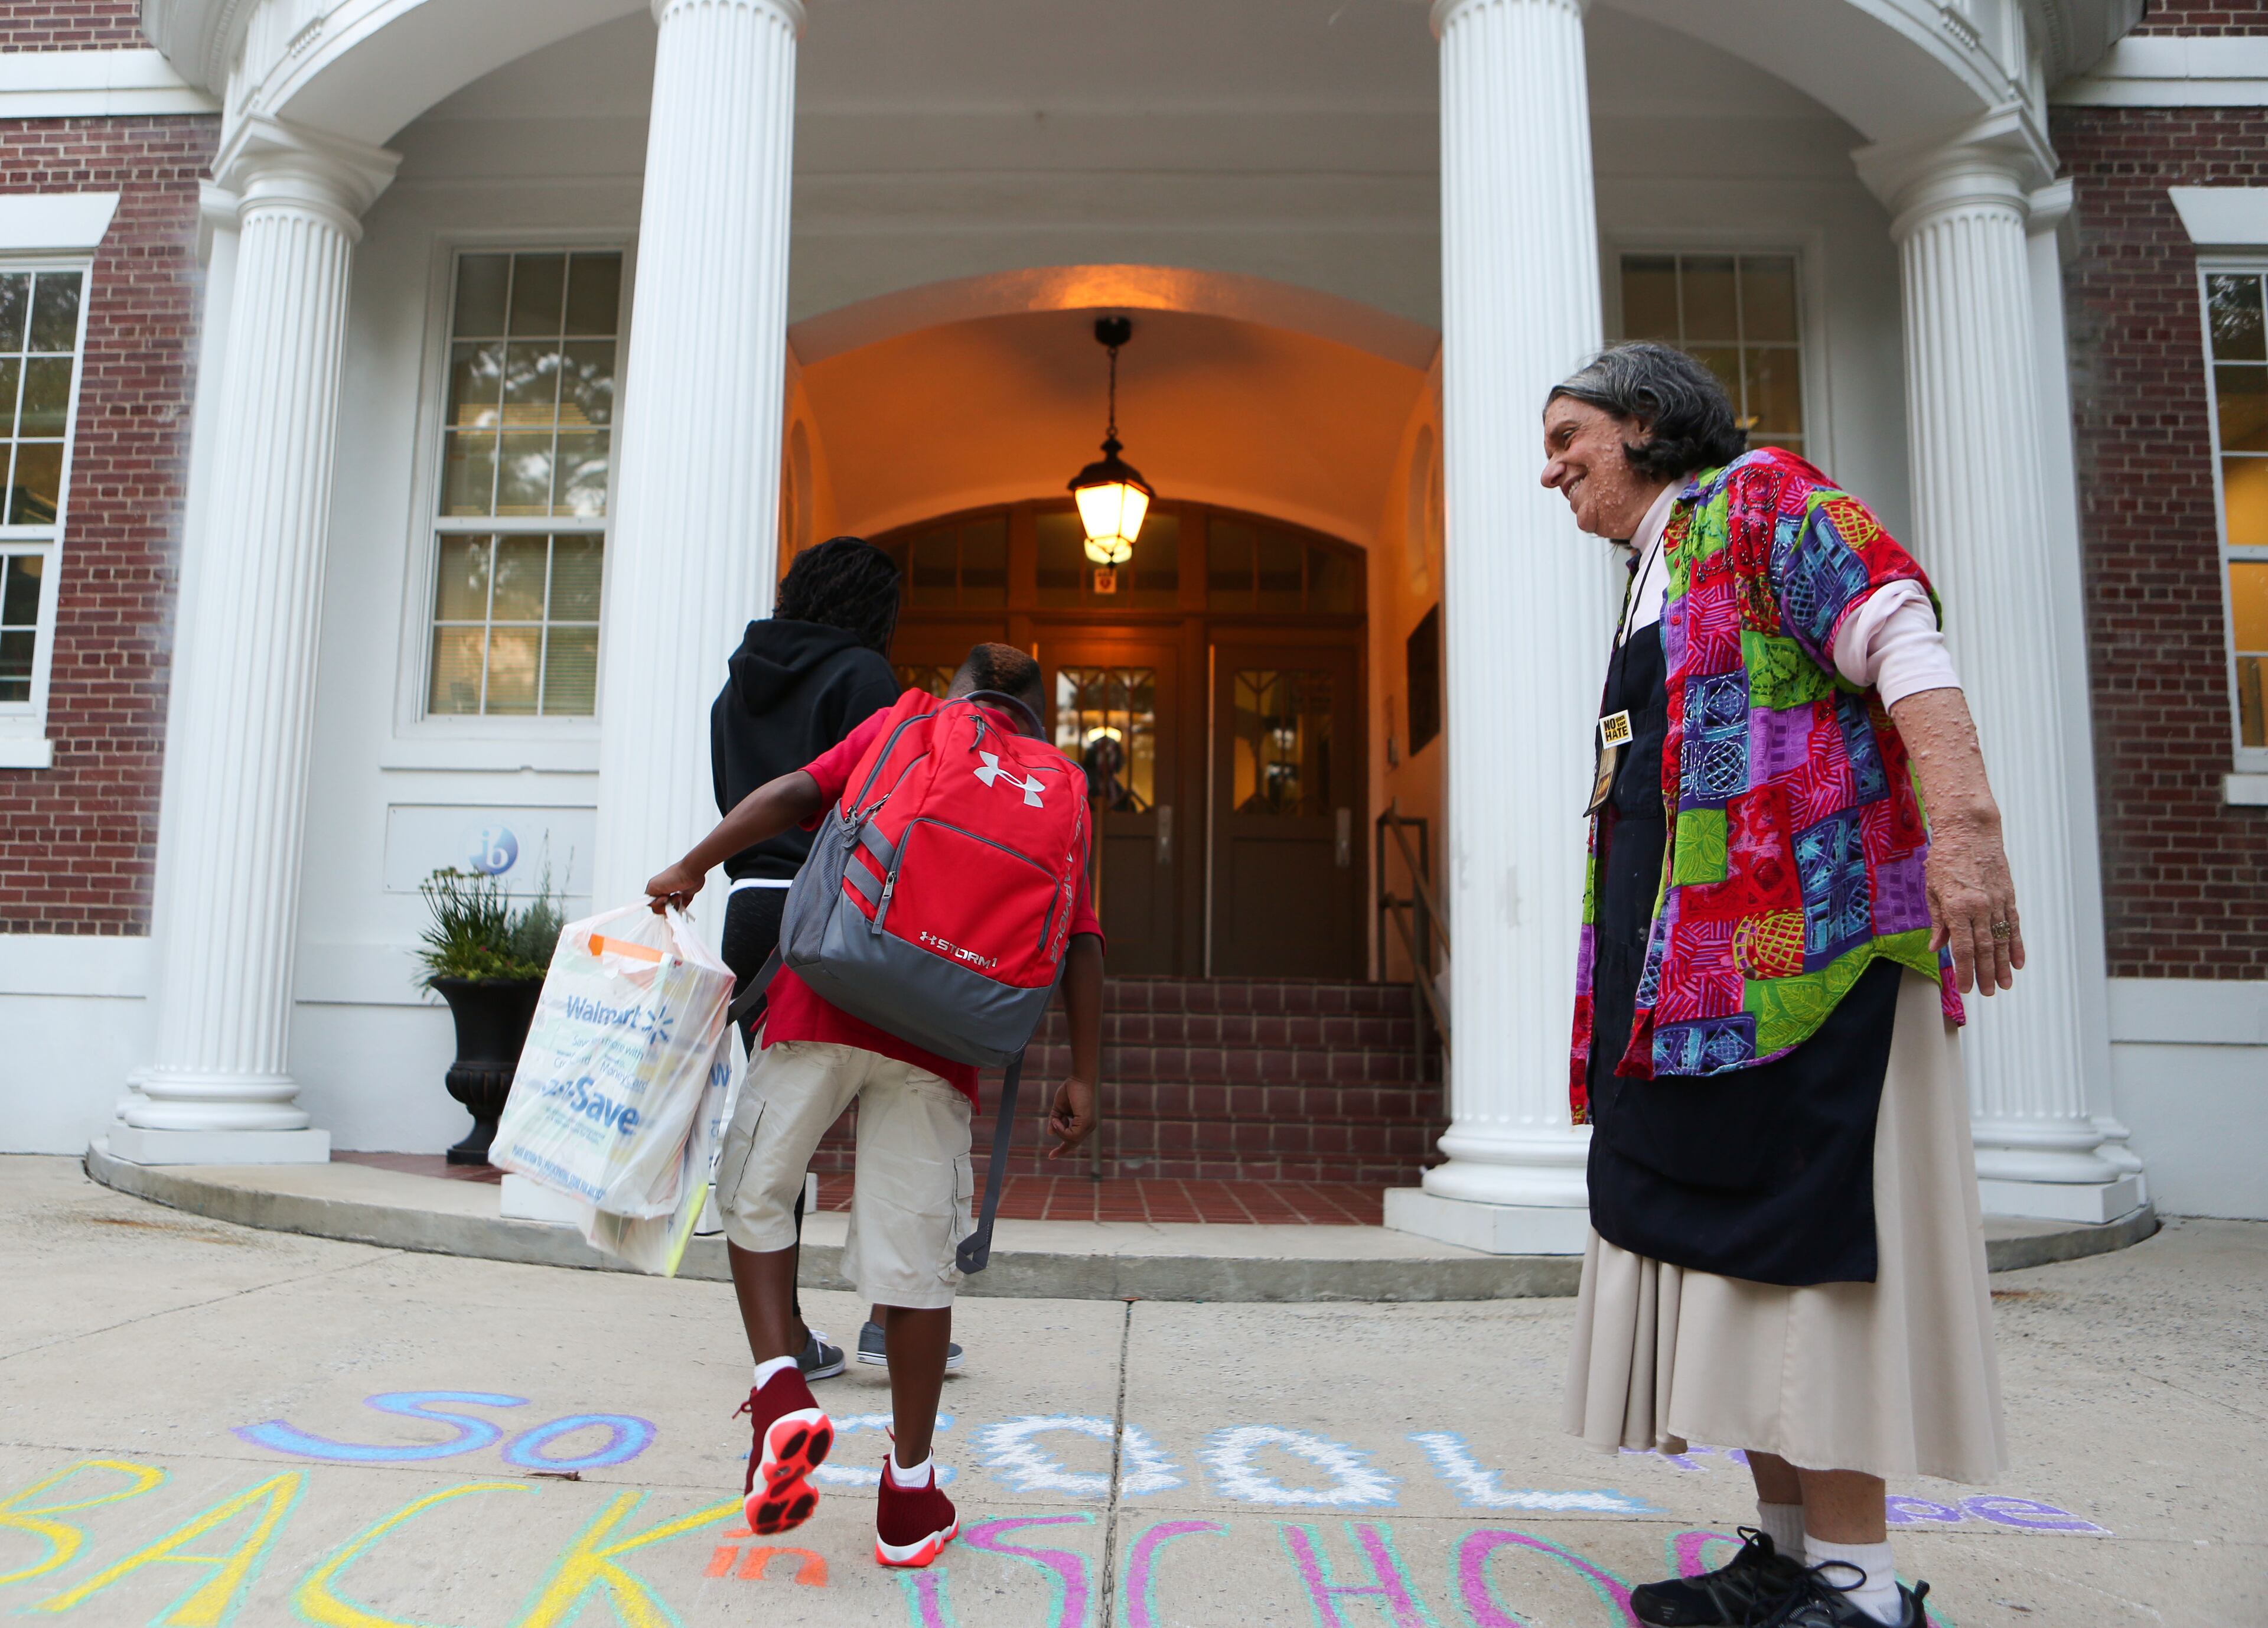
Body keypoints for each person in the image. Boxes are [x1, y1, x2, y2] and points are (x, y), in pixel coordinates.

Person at [1544, 344, 2017, 1628]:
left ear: (1647, 423)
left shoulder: (1766, 502)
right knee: (1734, 1259)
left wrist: (1965, 829)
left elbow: (1899, 629)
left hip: (1807, 964)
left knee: (1811, 1265)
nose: (1553, 470)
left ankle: (1862, 1590)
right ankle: (1790, 1550)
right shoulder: (1661, 564)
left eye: (1570, 436)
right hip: (1693, 986)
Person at [647, 642, 1105, 1570]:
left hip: (825, 1000)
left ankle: (780, 1388)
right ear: (1036, 717)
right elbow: (1082, 940)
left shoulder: (907, 720)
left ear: (961, 690)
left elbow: (791, 796)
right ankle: (908, 1496)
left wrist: (691, 866)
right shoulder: (1059, 788)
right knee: (914, 1266)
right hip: (944, 1045)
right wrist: (1085, 1074)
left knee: (758, 1194)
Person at [711, 535, 904, 1384]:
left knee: (775, 1128)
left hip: (750, 906)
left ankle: (783, 1329)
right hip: (837, 912)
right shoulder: (864, 677)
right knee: (896, 1100)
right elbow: (884, 802)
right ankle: (893, 1319)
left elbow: (739, 800)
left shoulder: (735, 681)